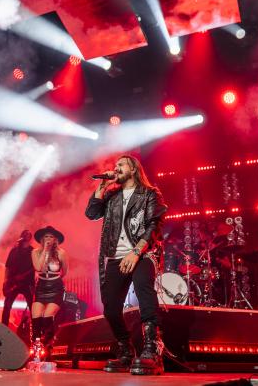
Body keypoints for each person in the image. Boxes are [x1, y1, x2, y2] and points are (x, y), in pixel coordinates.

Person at [85, 154, 167, 375]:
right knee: (110, 308)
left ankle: (152, 350)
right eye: (115, 165)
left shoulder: (149, 193)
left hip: (143, 252)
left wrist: (136, 252)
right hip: (116, 257)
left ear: (133, 169)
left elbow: (153, 225)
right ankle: (126, 350)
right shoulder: (112, 196)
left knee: (144, 289)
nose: (116, 168)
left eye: (121, 164)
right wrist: (102, 186)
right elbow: (91, 213)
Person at [31, 226, 68, 352]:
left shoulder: (61, 253)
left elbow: (65, 271)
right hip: (41, 287)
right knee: (36, 317)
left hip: (55, 287)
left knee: (47, 316)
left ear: (55, 239)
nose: (48, 239)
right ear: (42, 239)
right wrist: (45, 251)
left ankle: (48, 347)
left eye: (51, 236)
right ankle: (36, 348)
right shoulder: (35, 252)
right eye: (46, 236)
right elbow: (38, 267)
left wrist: (55, 280)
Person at [1, 230, 35, 327]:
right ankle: (3, 328)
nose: (26, 236)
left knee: (33, 307)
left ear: (30, 238)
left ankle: (36, 332)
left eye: (28, 234)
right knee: (7, 306)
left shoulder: (33, 252)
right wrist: (6, 280)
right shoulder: (14, 251)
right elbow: (8, 266)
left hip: (27, 283)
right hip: (13, 282)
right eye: (25, 234)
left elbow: (37, 266)